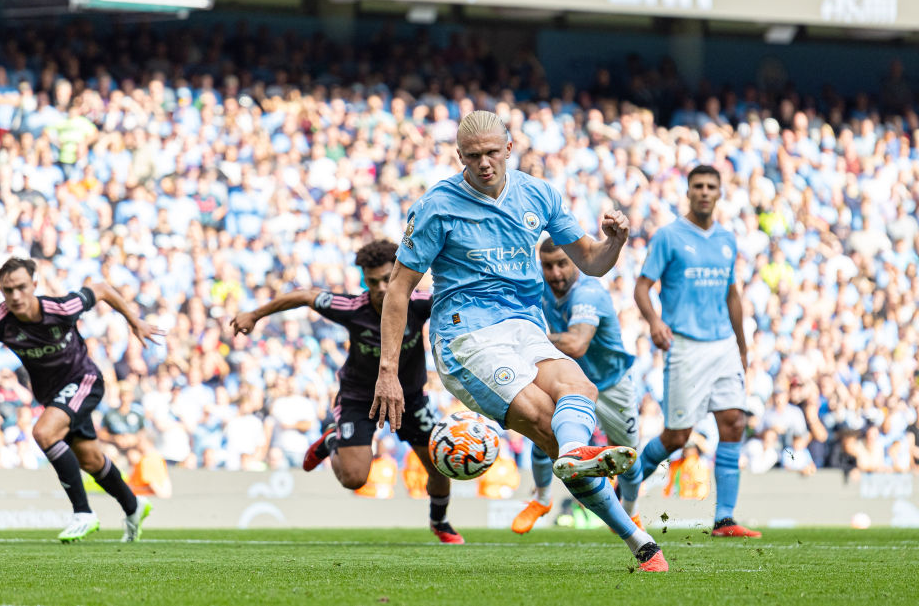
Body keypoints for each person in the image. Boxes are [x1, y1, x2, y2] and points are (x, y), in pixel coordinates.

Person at [372, 110, 667, 571]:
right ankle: (637, 539)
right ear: (460, 156)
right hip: (465, 334)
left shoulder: (539, 193)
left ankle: (573, 455)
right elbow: (398, 289)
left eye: (492, 152)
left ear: (509, 148)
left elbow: (591, 261)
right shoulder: (436, 206)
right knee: (542, 419)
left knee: (581, 388)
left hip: (523, 327)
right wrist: (387, 372)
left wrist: (617, 241)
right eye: (473, 156)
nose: (484, 163)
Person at [230, 240, 464, 544]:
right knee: (354, 478)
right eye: (372, 281)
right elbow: (304, 296)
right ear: (363, 280)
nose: (380, 287)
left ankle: (440, 521)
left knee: (438, 462)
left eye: (386, 278)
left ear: (399, 273)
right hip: (359, 398)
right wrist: (255, 314)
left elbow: (457, 300)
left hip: (410, 398)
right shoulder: (352, 308)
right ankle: (333, 439)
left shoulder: (419, 303)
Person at [0, 257, 164, 542]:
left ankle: (83, 512)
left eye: (21, 287)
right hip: (53, 395)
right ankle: (134, 507)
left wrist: (134, 321)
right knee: (91, 460)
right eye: (7, 290)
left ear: (34, 284)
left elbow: (101, 288)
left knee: (44, 432)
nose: (15, 296)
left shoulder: (61, 308)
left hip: (84, 381)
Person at [633, 164, 761, 538]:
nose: (704, 192)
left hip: (722, 343)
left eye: (711, 187)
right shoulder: (669, 236)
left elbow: (731, 294)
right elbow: (642, 288)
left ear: (720, 193)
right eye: (698, 186)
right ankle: (625, 486)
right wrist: (655, 322)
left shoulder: (726, 239)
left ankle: (724, 519)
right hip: (685, 344)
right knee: (677, 435)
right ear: (688, 192)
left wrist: (741, 345)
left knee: (734, 421)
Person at [511, 239, 643, 535]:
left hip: (611, 384)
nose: (555, 273)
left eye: (562, 263)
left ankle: (632, 513)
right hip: (569, 380)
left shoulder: (588, 292)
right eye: (548, 266)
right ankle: (541, 499)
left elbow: (577, 343)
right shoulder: (539, 288)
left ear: (575, 262)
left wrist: (533, 340)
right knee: (540, 430)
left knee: (630, 457)